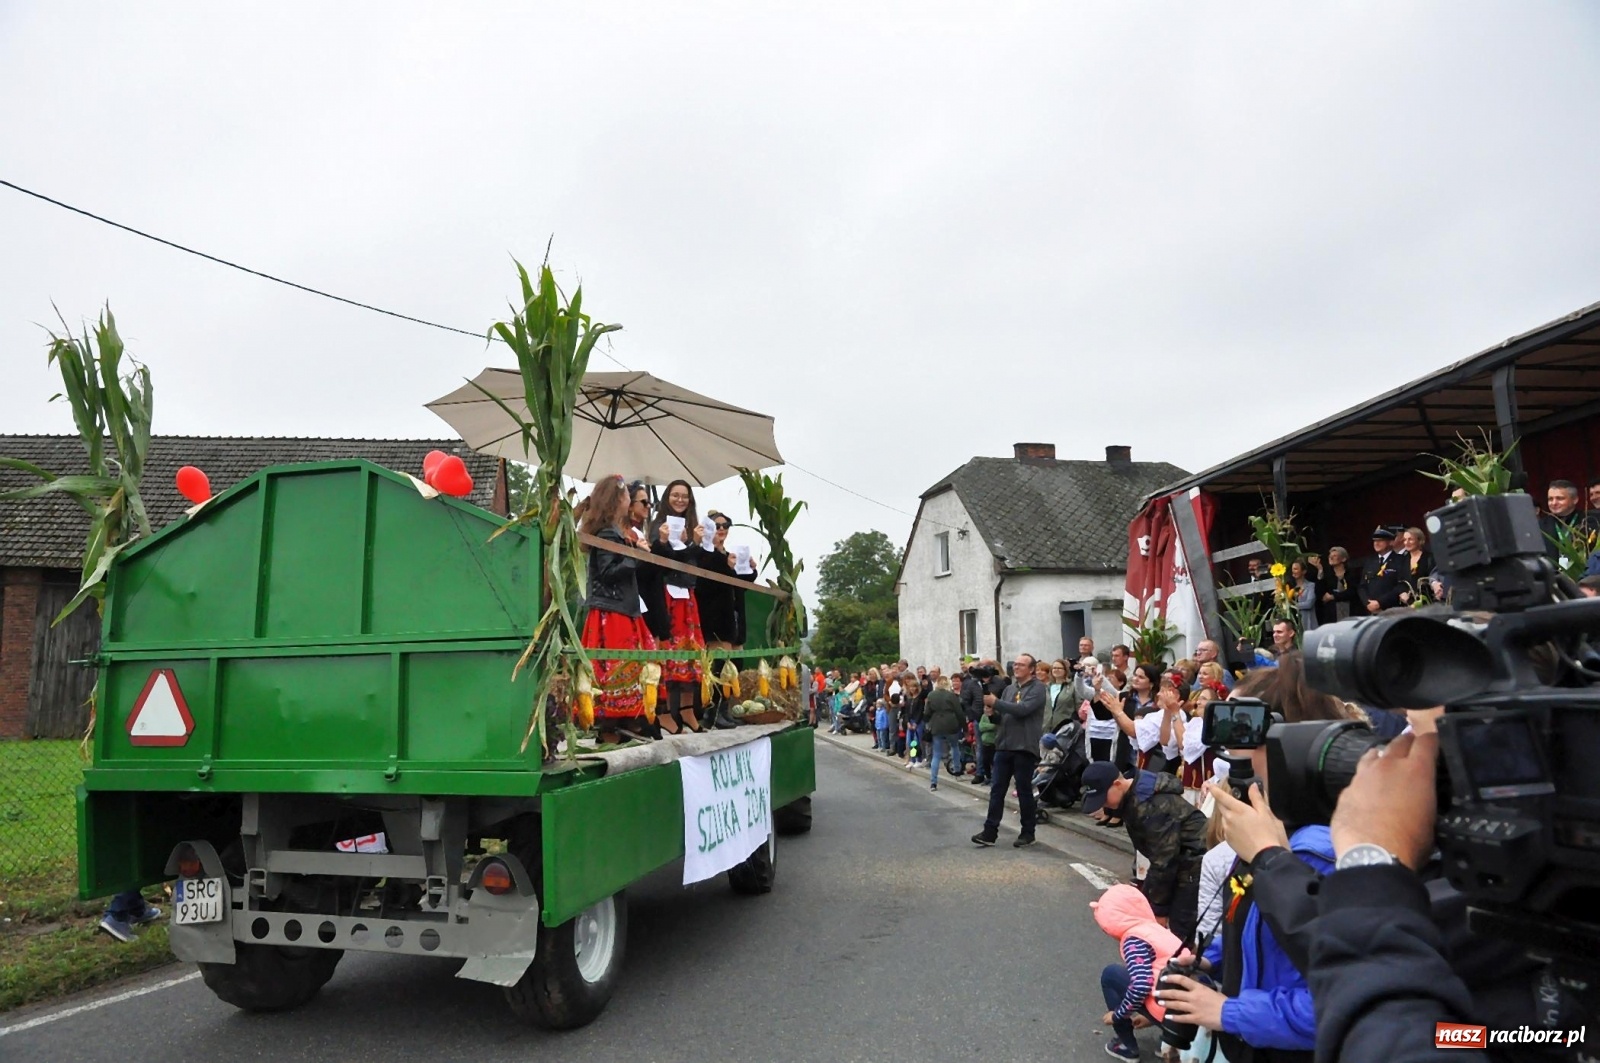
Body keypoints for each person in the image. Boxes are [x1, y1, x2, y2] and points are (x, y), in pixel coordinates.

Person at [1081, 760, 1208, 948]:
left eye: (1104, 799)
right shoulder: (1134, 795)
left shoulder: (1151, 804)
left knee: (1181, 930)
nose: (1104, 805)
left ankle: (1184, 968)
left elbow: (1164, 861)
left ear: (1117, 784)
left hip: (1194, 862)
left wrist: (1157, 911)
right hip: (1179, 859)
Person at [580, 476, 658, 743]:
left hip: (620, 608)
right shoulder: (607, 533)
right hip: (612, 611)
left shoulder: (612, 532)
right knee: (617, 668)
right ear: (618, 500)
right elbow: (608, 572)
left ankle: (622, 723)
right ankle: (611, 727)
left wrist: (634, 551)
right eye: (627, 497)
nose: (630, 501)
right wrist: (635, 555)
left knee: (626, 666)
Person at [1094, 883, 1184, 1062]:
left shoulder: (1134, 940)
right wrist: (1147, 1017)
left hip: (1170, 1011)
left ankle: (1126, 1045)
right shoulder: (1158, 931)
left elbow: (1142, 984)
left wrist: (1118, 1014)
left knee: (1111, 974)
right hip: (1190, 1010)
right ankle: (1172, 1041)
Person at [970, 653, 1047, 848]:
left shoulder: (1037, 688)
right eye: (1015, 664)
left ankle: (1028, 832)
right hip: (1004, 745)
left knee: (1023, 791)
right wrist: (992, 714)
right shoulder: (1009, 689)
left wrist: (995, 703)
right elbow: (1003, 717)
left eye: (1021, 665)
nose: (1017, 667)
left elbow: (1022, 710)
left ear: (1031, 669)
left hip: (1024, 746)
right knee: (997, 790)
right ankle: (990, 831)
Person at [649, 479, 707, 732]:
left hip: (688, 593)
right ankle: (662, 712)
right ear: (667, 498)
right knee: (666, 653)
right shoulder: (655, 525)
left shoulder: (695, 526)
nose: (680, 500)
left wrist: (696, 542)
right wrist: (672, 542)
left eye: (685, 496)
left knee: (691, 653)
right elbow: (663, 560)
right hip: (665, 593)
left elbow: (697, 561)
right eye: (675, 495)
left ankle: (686, 711)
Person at [625, 481, 670, 643]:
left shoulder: (641, 533)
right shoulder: (627, 534)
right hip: (641, 603)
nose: (648, 506)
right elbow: (640, 571)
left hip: (653, 601)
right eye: (644, 502)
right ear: (629, 505)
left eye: (649, 502)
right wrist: (660, 544)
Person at [924, 675, 964, 790]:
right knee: (955, 747)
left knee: (936, 754)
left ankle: (933, 782)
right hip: (951, 725)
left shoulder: (931, 695)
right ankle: (956, 772)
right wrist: (964, 727)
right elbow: (959, 713)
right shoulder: (951, 696)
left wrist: (928, 723)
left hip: (937, 726)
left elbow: (926, 713)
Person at [1359, 527, 1406, 614]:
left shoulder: (1400, 560)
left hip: (1392, 610)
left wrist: (1380, 603)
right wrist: (1367, 603)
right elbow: (1362, 586)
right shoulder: (1370, 561)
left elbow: (1401, 585)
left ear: (1391, 542)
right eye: (1375, 541)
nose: (1376, 543)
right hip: (1371, 611)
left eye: (1380, 540)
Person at [1316, 546, 1358, 626]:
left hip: (1350, 614)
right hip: (1332, 617)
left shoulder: (1351, 574)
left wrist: (1333, 597)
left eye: (1335, 555)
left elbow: (1352, 592)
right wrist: (1320, 570)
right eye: (1330, 555)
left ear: (1343, 559)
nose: (1331, 557)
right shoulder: (1328, 576)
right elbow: (1319, 593)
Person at [1396, 526, 1434, 605]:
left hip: (1428, 603)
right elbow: (1399, 581)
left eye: (1410, 539)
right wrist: (1402, 592)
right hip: (1407, 604)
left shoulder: (1429, 558)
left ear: (1419, 540)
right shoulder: (1402, 560)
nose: (1406, 542)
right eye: (1405, 540)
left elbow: (1433, 577)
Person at [1043, 659, 1076, 735]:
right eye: (1054, 668)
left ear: (1065, 670)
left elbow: (1078, 707)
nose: (1056, 670)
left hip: (1064, 728)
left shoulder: (1072, 687)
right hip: (1046, 728)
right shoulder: (1045, 687)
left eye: (1059, 668)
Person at [1289, 558, 1319, 632]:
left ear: (1304, 571)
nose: (1293, 571)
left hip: (1308, 622)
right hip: (1296, 625)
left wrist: (1292, 605)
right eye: (1293, 569)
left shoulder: (1311, 586)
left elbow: (1309, 604)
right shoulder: (1290, 588)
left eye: (1296, 569)